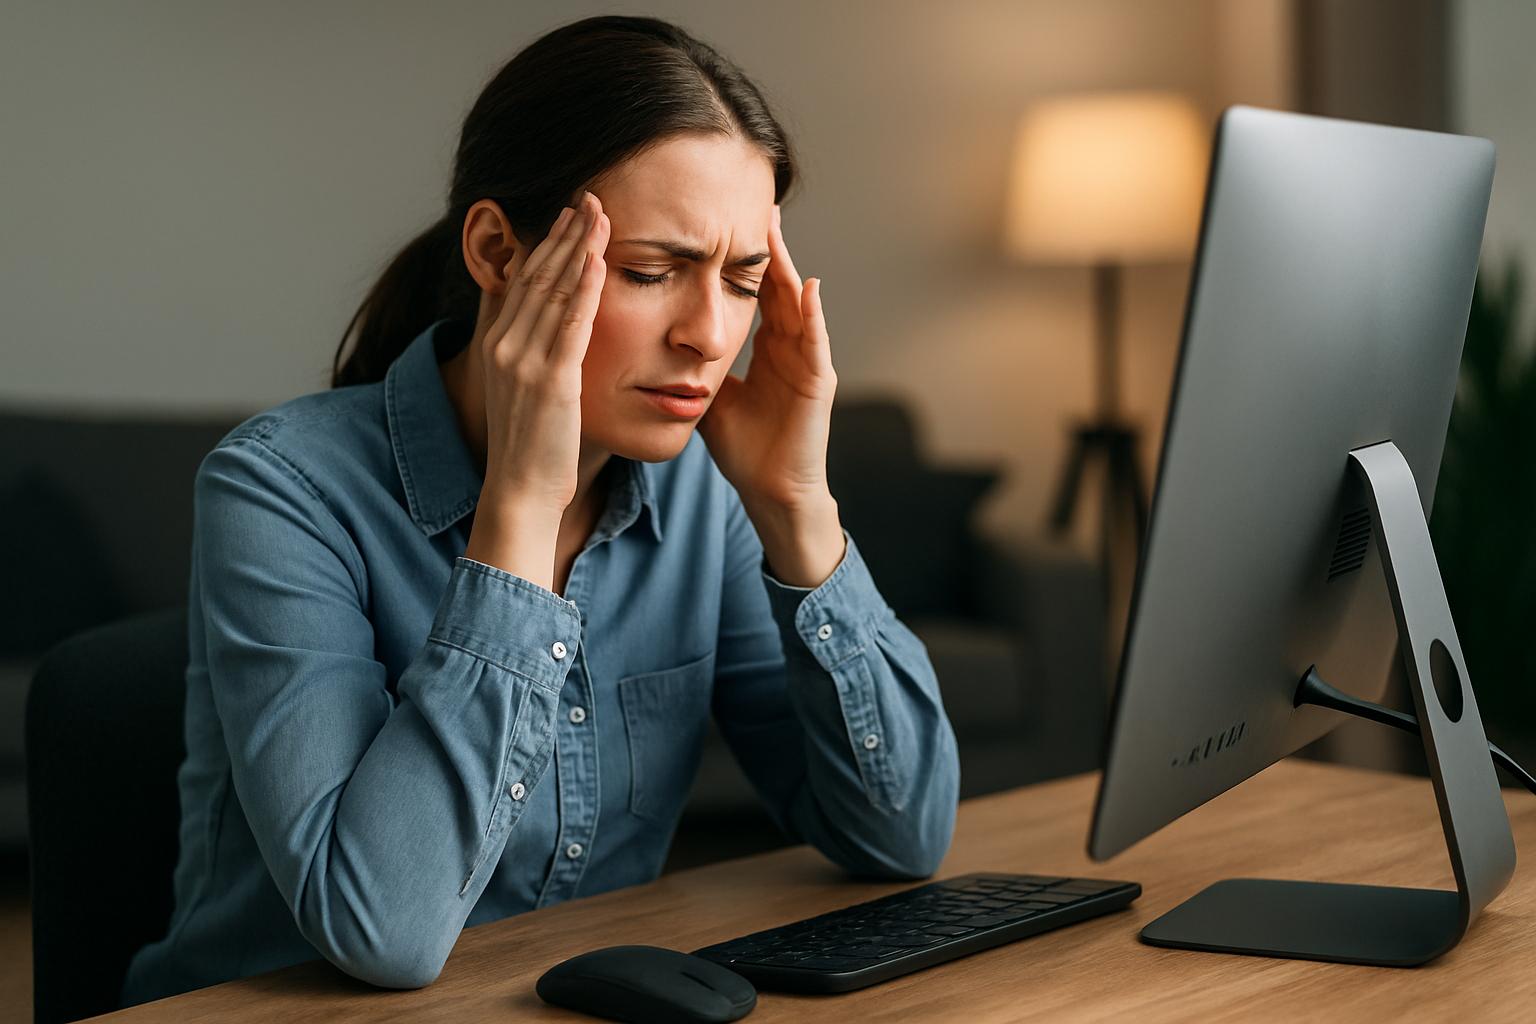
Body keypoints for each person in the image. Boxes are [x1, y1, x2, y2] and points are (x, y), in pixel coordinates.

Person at [121, 14, 959, 1005]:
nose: (710, 335)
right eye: (651, 272)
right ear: (496, 250)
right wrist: (520, 509)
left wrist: (796, 506)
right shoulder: (281, 489)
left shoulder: (701, 491)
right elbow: (381, 933)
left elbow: (900, 838)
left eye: (742, 281)